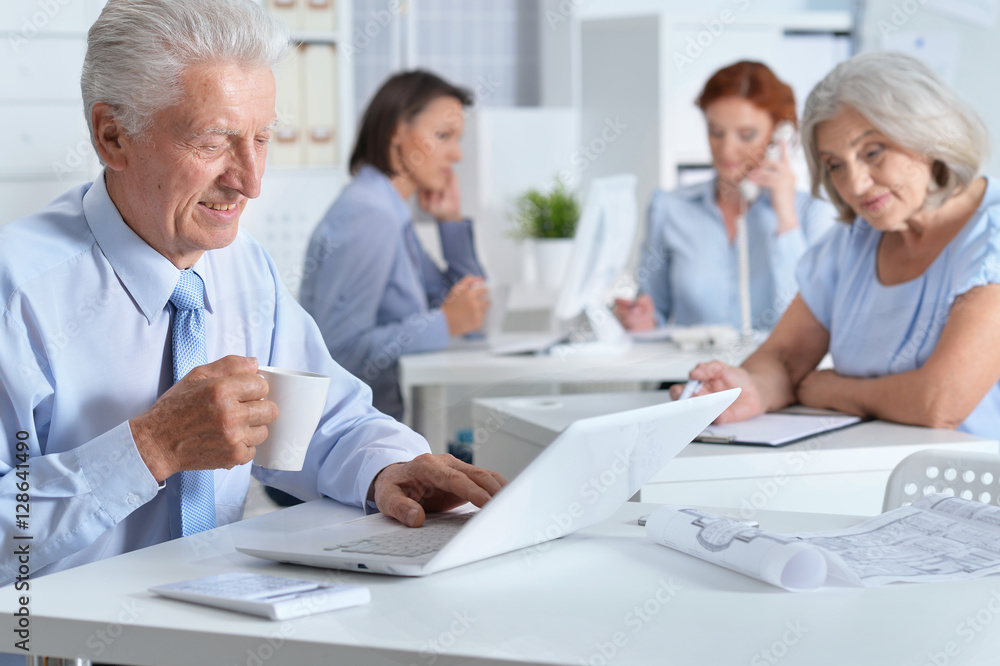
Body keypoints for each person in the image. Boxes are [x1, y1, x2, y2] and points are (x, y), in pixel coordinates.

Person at [0, 0, 504, 591]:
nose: (251, 181)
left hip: (217, 625)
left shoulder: (242, 265)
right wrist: (152, 448)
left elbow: (323, 422)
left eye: (261, 139)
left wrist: (389, 468)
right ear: (113, 136)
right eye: (214, 142)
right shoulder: (19, 290)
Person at [676, 51, 1000, 439]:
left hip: (966, 490)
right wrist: (752, 387)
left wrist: (834, 390)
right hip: (862, 477)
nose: (856, 185)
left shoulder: (990, 239)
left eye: (872, 152)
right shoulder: (853, 241)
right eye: (835, 165)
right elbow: (785, 359)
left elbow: (940, 402)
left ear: (927, 134)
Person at [300, 71, 489, 422]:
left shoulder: (391, 210)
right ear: (398, 132)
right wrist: (444, 323)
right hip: (340, 450)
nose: (457, 154)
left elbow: (473, 313)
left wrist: (450, 223)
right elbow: (341, 351)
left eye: (458, 139)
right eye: (443, 135)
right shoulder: (370, 214)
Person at [615, 61, 836, 333]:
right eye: (716, 132)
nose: (727, 150)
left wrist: (785, 217)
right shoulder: (669, 208)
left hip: (777, 375)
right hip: (688, 373)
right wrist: (641, 319)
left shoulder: (813, 213)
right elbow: (655, 311)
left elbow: (811, 321)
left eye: (746, 135)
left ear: (778, 135)